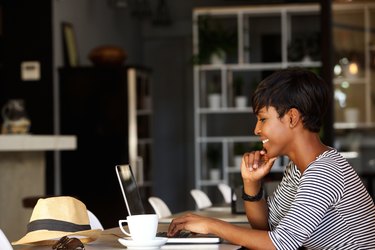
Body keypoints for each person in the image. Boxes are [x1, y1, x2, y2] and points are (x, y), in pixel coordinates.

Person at [168, 68, 375, 249]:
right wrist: (251, 183)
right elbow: (266, 227)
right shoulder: (299, 168)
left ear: (292, 118)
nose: (256, 129)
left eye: (263, 119)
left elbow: (280, 244)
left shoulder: (324, 171)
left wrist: (211, 225)